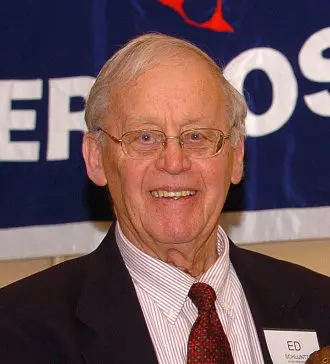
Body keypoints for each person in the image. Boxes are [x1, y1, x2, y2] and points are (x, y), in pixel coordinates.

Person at [0, 33, 329, 364]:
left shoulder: (321, 309)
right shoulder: (16, 331)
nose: (174, 162)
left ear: (237, 155)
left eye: (198, 136)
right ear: (97, 159)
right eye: (145, 137)